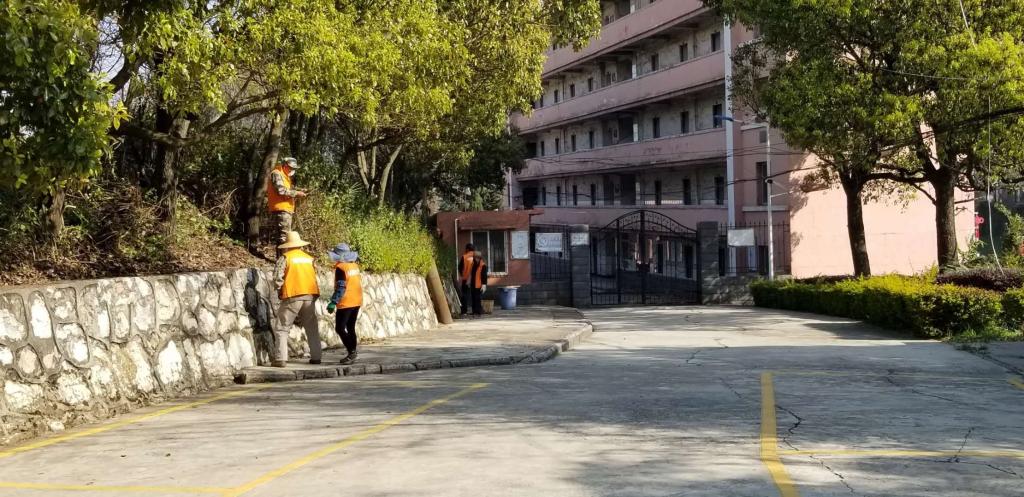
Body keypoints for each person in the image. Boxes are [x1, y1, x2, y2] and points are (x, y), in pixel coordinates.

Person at [272, 231, 322, 367]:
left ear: (287, 245)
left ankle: (280, 359)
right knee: (312, 328)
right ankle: (316, 357)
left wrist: (279, 290)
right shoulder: (309, 258)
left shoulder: (285, 258)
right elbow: (315, 277)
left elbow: (277, 278)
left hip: (292, 295)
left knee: (282, 328)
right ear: (299, 244)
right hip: (310, 295)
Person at [326, 243, 363, 365]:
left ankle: (352, 352)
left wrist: (333, 302)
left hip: (346, 302)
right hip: (357, 300)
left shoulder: (341, 268)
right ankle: (353, 352)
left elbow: (341, 287)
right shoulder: (354, 266)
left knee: (340, 328)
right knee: (351, 327)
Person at [267, 157, 308, 253]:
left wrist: (300, 190)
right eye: (291, 168)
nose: (292, 170)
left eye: (294, 168)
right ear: (285, 165)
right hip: (281, 209)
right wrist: (297, 193)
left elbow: (287, 189)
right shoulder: (277, 173)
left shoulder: (284, 176)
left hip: (284, 208)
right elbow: (281, 191)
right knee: (284, 238)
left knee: (282, 237)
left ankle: (281, 259)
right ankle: (284, 259)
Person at [458, 244, 477, 316]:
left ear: (467, 249)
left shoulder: (464, 257)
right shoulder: (477, 257)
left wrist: (462, 275)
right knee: (475, 295)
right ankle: (475, 311)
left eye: (465, 249)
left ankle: (464, 311)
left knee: (465, 295)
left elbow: (460, 267)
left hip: (466, 279)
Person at [471, 250, 488, 317]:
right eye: (474, 257)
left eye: (476, 257)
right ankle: (474, 311)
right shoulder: (473, 264)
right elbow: (472, 275)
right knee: (473, 298)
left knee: (477, 299)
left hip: (479, 285)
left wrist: (484, 284)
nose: (475, 259)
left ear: (479, 258)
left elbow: (484, 276)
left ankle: (478, 312)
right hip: (473, 284)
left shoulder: (483, 265)